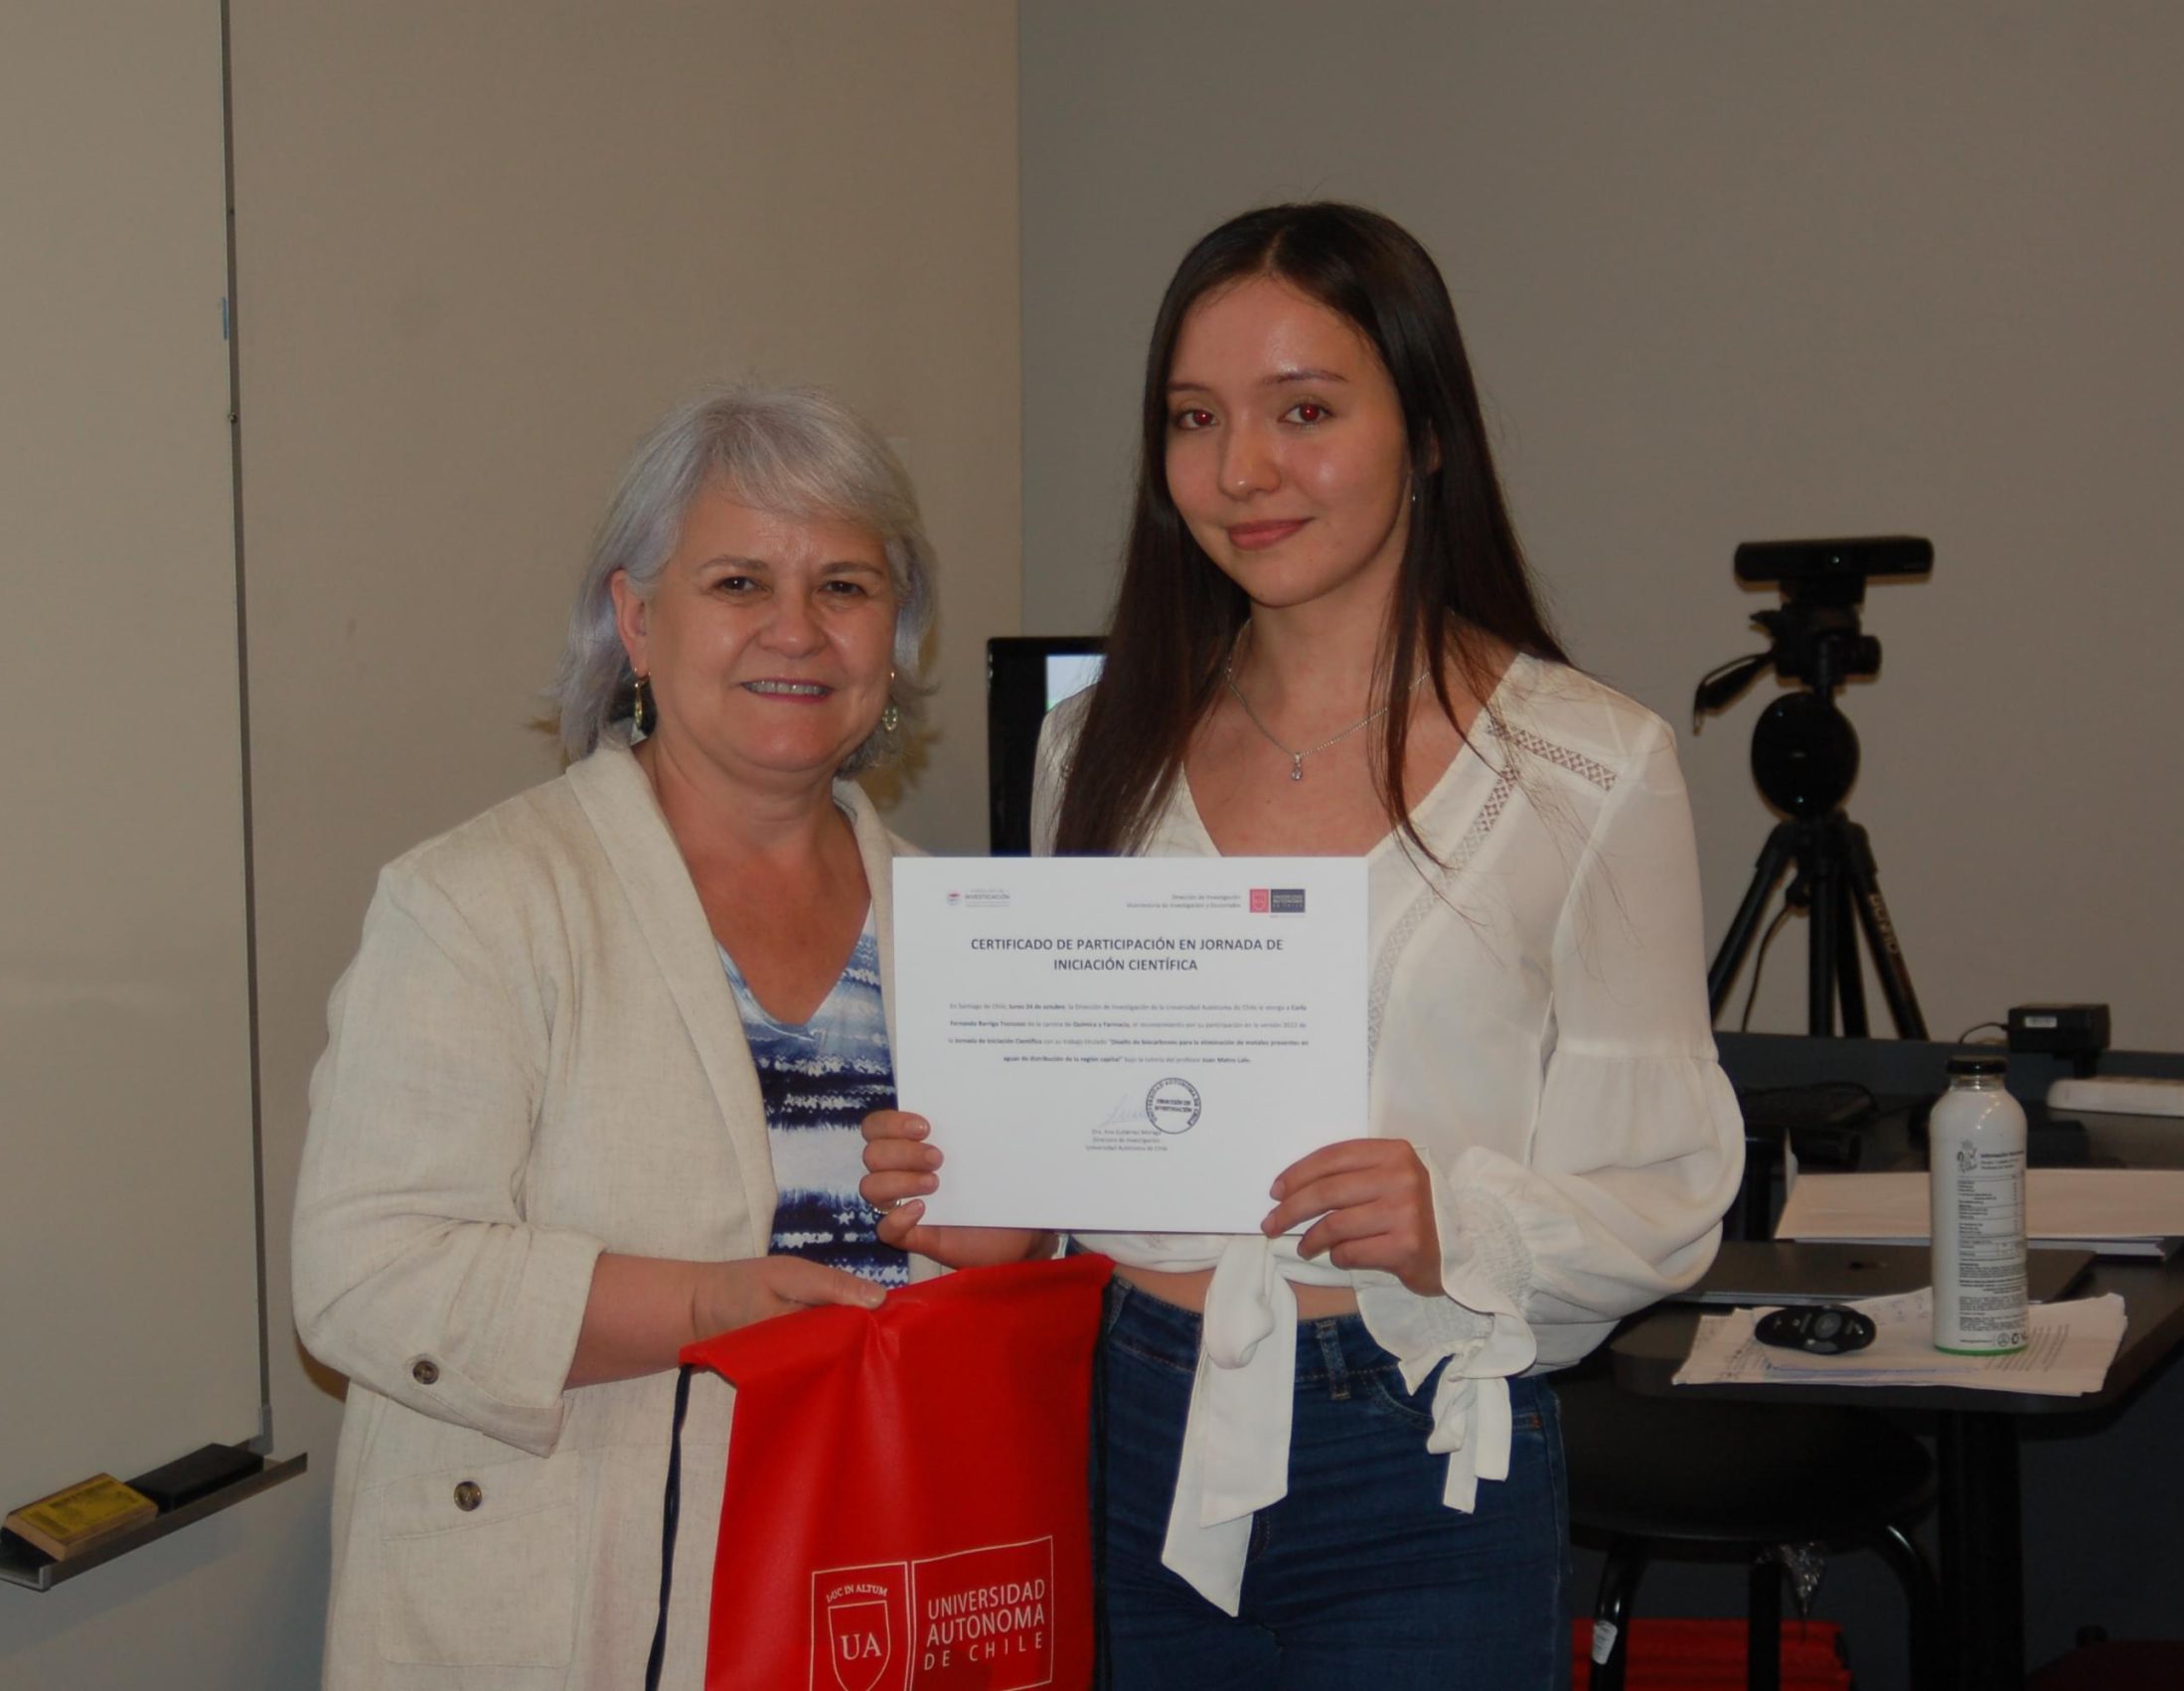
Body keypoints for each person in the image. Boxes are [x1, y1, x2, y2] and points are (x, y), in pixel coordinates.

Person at [862, 203, 1744, 1689]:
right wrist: (993, 1192)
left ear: (1431, 431)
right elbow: (1097, 1115)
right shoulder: (1092, 748)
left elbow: (1668, 1185)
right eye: (1196, 419)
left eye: (1306, 411)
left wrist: (1455, 1221)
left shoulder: (1588, 768)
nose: (1242, 469)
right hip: (1125, 1414)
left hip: (1415, 1436)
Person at [292, 384, 938, 1690]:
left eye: (847, 587)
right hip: (568, 1615)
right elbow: (363, 1273)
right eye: (741, 581)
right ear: (637, 620)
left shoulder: (961, 924)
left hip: (873, 1595)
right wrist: (706, 1302)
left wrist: (1015, 1236)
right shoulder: (478, 900)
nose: (797, 631)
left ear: (897, 635)